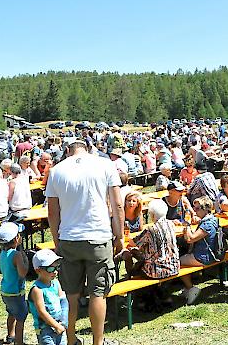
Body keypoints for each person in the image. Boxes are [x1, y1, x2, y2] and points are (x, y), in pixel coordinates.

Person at [45, 139, 123, 345]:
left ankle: (70, 339)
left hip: (69, 237)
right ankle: (97, 342)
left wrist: (56, 239)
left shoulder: (56, 171)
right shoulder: (105, 164)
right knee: (98, 294)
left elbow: (53, 212)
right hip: (99, 235)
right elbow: (117, 205)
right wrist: (120, 236)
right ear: (87, 149)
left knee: (71, 294)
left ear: (67, 151)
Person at [119, 199, 180, 280]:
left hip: (157, 272)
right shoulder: (171, 224)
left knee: (131, 252)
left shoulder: (150, 230)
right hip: (174, 267)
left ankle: (130, 278)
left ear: (152, 215)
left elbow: (133, 242)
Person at [179, 196, 219, 305]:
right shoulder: (213, 219)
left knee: (177, 263)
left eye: (197, 209)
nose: (194, 211)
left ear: (205, 209)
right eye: (194, 208)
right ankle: (187, 290)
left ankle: (191, 288)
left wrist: (187, 225)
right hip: (210, 254)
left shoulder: (207, 224)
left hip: (203, 257)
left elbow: (190, 239)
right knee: (183, 255)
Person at [0, 222, 29, 345]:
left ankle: (10, 336)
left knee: (11, 313)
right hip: (16, 292)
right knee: (21, 317)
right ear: (16, 238)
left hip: (5, 291)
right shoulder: (16, 255)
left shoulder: (2, 253)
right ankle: (19, 342)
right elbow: (22, 273)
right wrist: (25, 260)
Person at [28, 249, 68, 345]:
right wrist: (56, 326)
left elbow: (63, 301)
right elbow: (42, 312)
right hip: (45, 329)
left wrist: (64, 320)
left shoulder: (55, 283)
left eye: (56, 268)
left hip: (59, 325)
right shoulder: (37, 290)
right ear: (38, 270)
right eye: (50, 269)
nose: (55, 272)